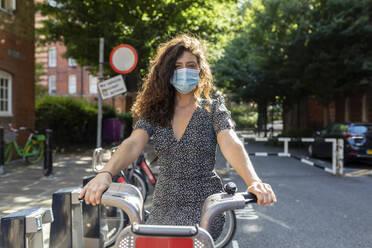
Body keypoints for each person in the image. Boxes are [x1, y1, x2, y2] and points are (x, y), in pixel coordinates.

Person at [79, 34, 277, 239]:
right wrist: (105, 173)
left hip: (204, 208)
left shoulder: (213, 108)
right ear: (167, 71)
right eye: (177, 65)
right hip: (164, 204)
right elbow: (133, 143)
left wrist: (253, 181)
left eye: (191, 65)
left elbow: (230, 143)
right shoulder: (155, 111)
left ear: (200, 71)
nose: (184, 71)